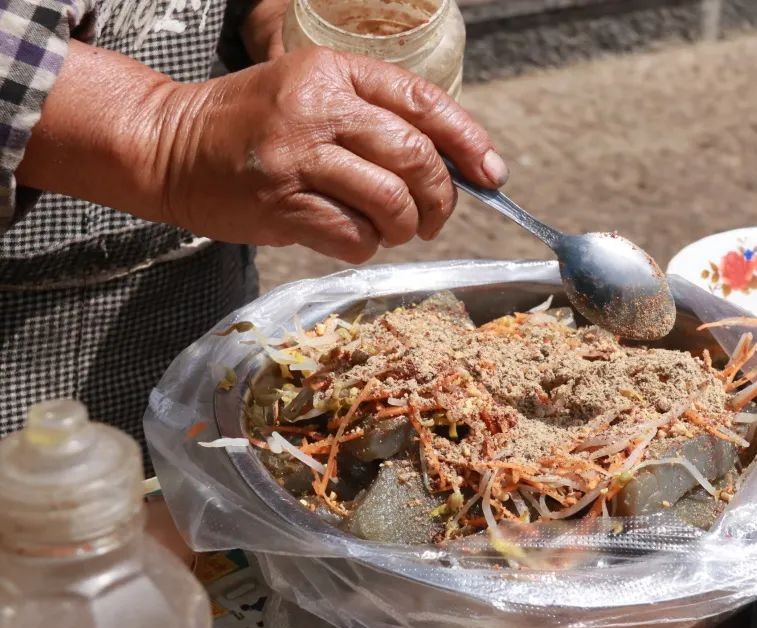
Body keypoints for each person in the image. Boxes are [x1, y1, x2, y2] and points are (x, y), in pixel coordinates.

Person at [0, 0, 507, 461]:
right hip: (18, 360)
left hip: (193, 291)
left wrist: (274, 16)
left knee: (204, 451)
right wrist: (165, 132)